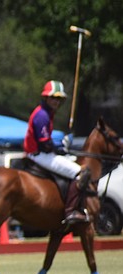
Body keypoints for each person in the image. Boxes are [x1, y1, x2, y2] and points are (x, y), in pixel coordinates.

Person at [25, 80, 90, 225]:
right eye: (53, 97)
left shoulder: (48, 113)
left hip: (42, 153)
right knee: (81, 173)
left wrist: (59, 146)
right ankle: (70, 211)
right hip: (38, 154)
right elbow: (44, 143)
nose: (56, 101)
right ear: (46, 98)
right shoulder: (42, 115)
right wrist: (58, 148)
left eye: (59, 99)